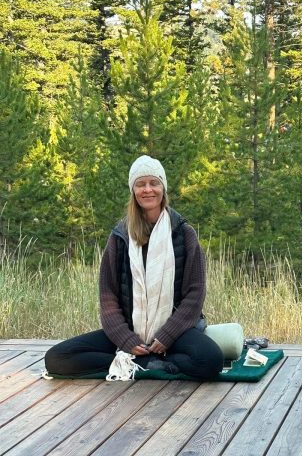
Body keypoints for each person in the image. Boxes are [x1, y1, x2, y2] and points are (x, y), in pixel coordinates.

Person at [44, 155, 224, 381]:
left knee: (211, 360)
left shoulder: (184, 233)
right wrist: (126, 340)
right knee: (57, 358)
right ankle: (143, 362)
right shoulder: (119, 236)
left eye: (154, 183)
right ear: (133, 191)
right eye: (140, 184)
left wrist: (167, 335)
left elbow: (195, 294)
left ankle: (139, 362)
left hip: (176, 333)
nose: (148, 190)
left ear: (163, 189)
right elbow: (108, 295)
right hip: (130, 332)